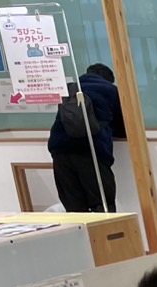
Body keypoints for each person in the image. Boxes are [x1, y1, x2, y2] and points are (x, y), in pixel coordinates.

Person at [48, 63, 125, 213]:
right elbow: (122, 125)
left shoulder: (71, 89)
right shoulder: (110, 90)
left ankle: (80, 229)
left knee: (74, 208)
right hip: (91, 152)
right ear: (109, 79)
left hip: (60, 152)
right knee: (103, 205)